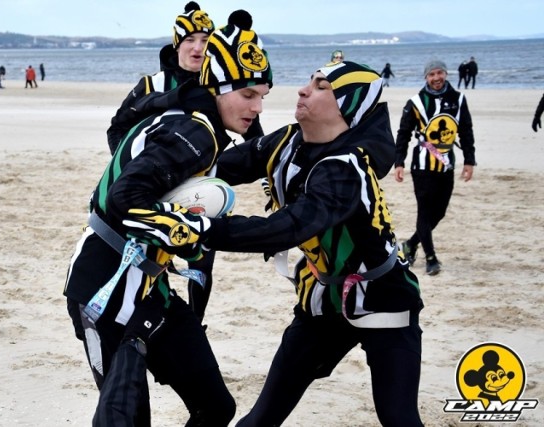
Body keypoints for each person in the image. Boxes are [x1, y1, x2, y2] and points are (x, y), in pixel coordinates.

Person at [123, 61, 424, 427]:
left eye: (321, 87)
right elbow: (218, 167)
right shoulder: (288, 141)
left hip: (384, 301)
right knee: (260, 419)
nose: (303, 90)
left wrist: (197, 227)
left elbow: (287, 228)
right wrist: (153, 176)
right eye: (309, 81)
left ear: (349, 105)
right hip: (321, 302)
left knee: (399, 418)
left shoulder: (347, 167)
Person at [63, 10, 272, 426]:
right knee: (126, 418)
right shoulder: (195, 132)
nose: (257, 106)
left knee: (216, 406)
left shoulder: (202, 126)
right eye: (248, 94)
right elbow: (124, 198)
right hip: (104, 288)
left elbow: (254, 149)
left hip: (151, 290)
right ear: (218, 86)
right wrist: (189, 229)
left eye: (263, 95)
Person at [106, 2, 261, 323]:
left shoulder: (220, 86)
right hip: (150, 185)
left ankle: (194, 322)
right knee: (152, 252)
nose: (198, 47)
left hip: (202, 188)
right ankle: (144, 315)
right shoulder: (152, 85)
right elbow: (118, 126)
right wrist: (132, 165)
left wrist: (266, 176)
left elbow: (255, 140)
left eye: (206, 40)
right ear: (177, 44)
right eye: (190, 40)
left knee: (202, 259)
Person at [394, 59, 476, 275]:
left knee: (438, 212)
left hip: (446, 165)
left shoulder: (458, 99)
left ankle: (411, 244)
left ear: (446, 74)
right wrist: (399, 161)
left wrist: (469, 160)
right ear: (426, 77)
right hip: (422, 165)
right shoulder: (416, 102)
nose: (436, 78)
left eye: (439, 73)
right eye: (432, 74)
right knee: (424, 210)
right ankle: (431, 257)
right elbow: (403, 133)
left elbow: (466, 131)